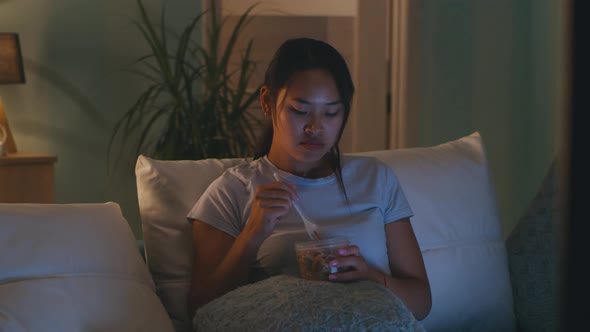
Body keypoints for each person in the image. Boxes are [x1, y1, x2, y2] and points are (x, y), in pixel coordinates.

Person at [187, 37, 431, 320]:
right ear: (267, 101)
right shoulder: (232, 191)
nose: (315, 127)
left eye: (331, 112)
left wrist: (372, 276)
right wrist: (252, 234)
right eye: (299, 110)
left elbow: (421, 302)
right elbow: (199, 311)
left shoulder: (376, 178)